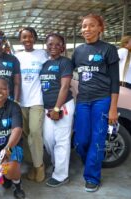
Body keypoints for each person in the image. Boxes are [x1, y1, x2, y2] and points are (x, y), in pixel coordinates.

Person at [72, 14, 120, 192]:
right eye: (84, 26)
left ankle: (92, 176)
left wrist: (113, 108)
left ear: (100, 28)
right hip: (83, 100)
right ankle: (91, 161)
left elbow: (115, 80)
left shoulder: (108, 49)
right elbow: (68, 72)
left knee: (97, 139)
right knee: (80, 140)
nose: (87, 29)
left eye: (92, 26)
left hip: (102, 100)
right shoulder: (78, 51)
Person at [39, 33, 75, 188]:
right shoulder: (45, 64)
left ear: (63, 47)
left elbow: (65, 87)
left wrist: (57, 108)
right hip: (48, 109)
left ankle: (61, 175)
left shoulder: (65, 62)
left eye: (57, 44)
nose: (53, 47)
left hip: (62, 107)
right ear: (46, 46)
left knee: (61, 140)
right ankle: (56, 164)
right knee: (48, 140)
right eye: (50, 44)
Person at [15, 27, 48, 182]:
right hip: (21, 102)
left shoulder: (42, 54)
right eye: (24, 37)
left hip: (37, 101)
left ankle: (39, 168)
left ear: (35, 38)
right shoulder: (17, 56)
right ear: (20, 40)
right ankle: (32, 164)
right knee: (26, 134)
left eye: (30, 37)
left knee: (35, 133)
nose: (27, 40)